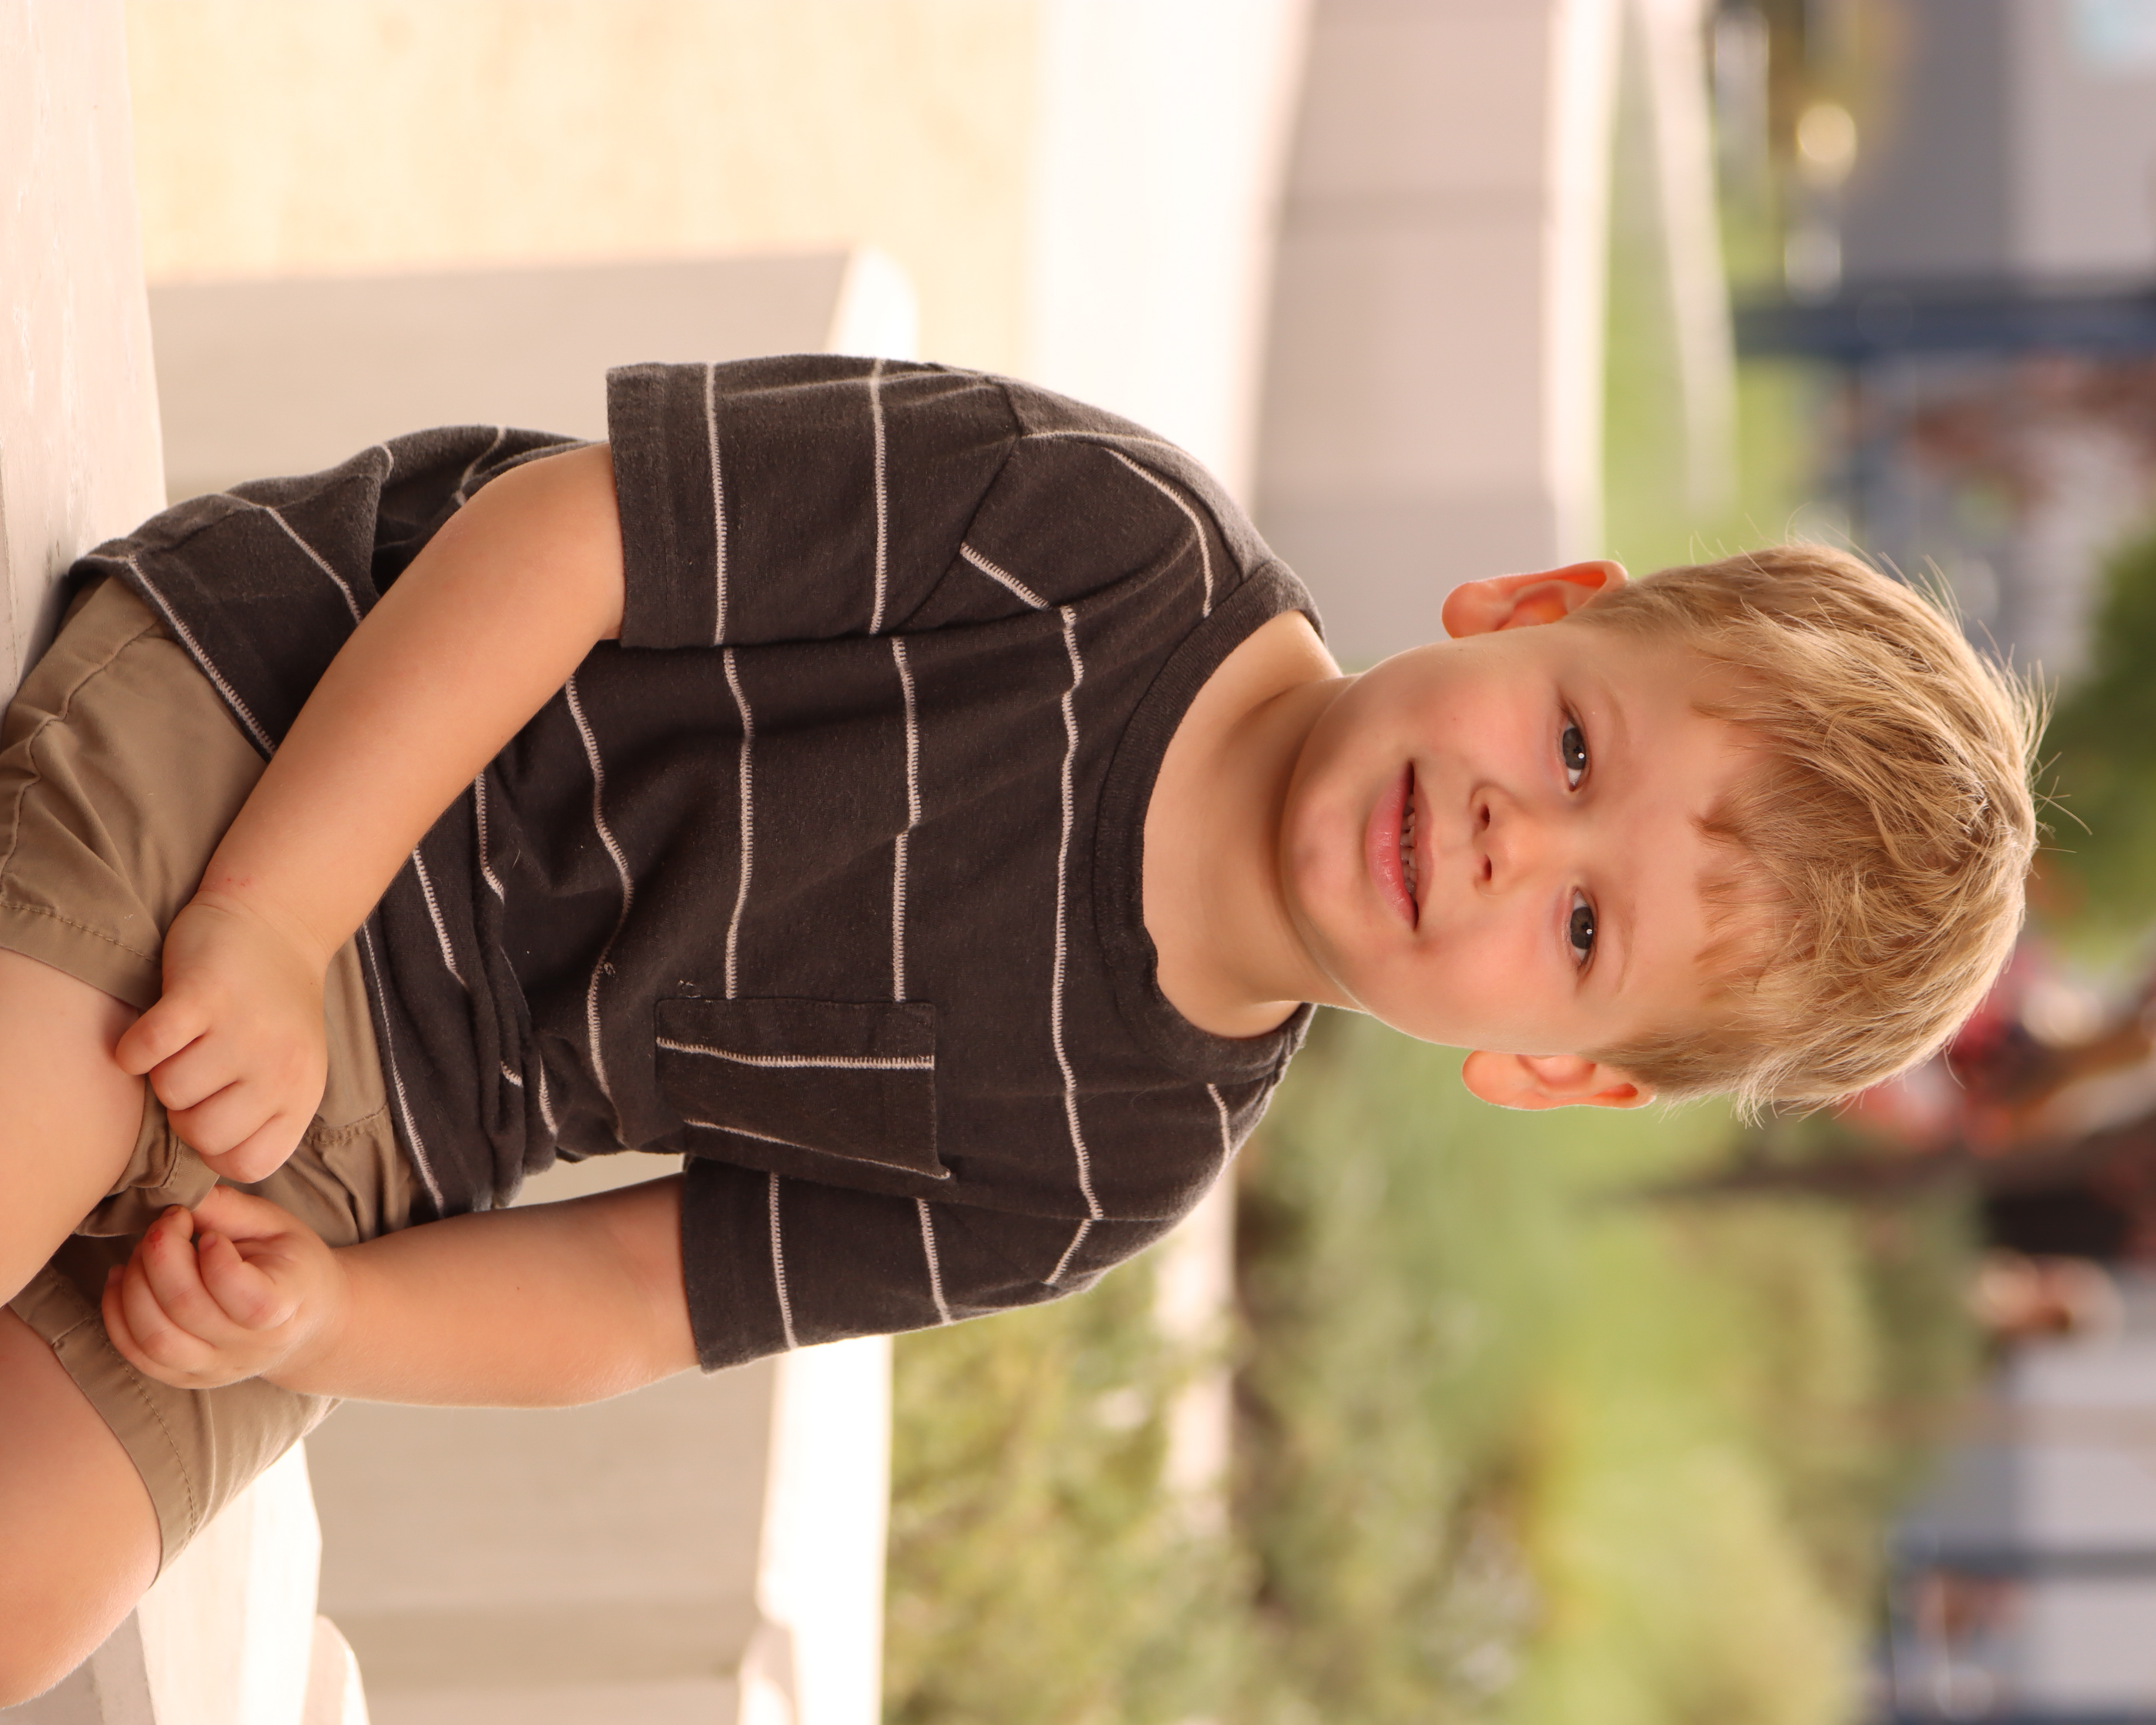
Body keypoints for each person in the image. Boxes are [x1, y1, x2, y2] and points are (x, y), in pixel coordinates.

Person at [0, 356, 2037, 1702]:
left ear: (1555, 1072)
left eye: (1586, 929)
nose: (1519, 836)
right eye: (1578, 745)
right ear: (1534, 601)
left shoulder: (1110, 1157)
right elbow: (567, 535)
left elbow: (637, 1293)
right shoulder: (1103, 545)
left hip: (380, 1148)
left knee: (31, 1581)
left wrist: (321, 1323)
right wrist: (272, 924)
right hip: (272, 749)